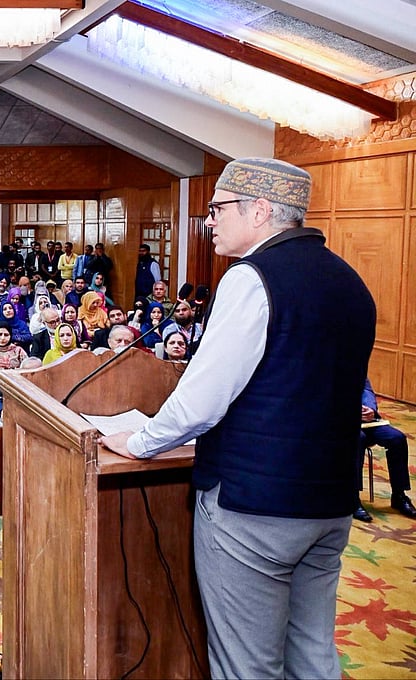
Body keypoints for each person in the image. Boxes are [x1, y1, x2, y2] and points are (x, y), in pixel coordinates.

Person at [100, 158, 375, 679]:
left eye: (218, 208)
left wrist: (138, 441)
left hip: (254, 508)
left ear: (262, 210)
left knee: (248, 665)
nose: (209, 220)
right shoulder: (349, 279)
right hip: (331, 500)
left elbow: (201, 402)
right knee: (314, 654)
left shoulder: (252, 278)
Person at [355, 379, 416, 521]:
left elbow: (367, 390)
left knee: (397, 438)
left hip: (367, 420)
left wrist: (370, 409)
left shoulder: (355, 362)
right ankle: (352, 498)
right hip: (341, 422)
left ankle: (399, 495)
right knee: (357, 440)